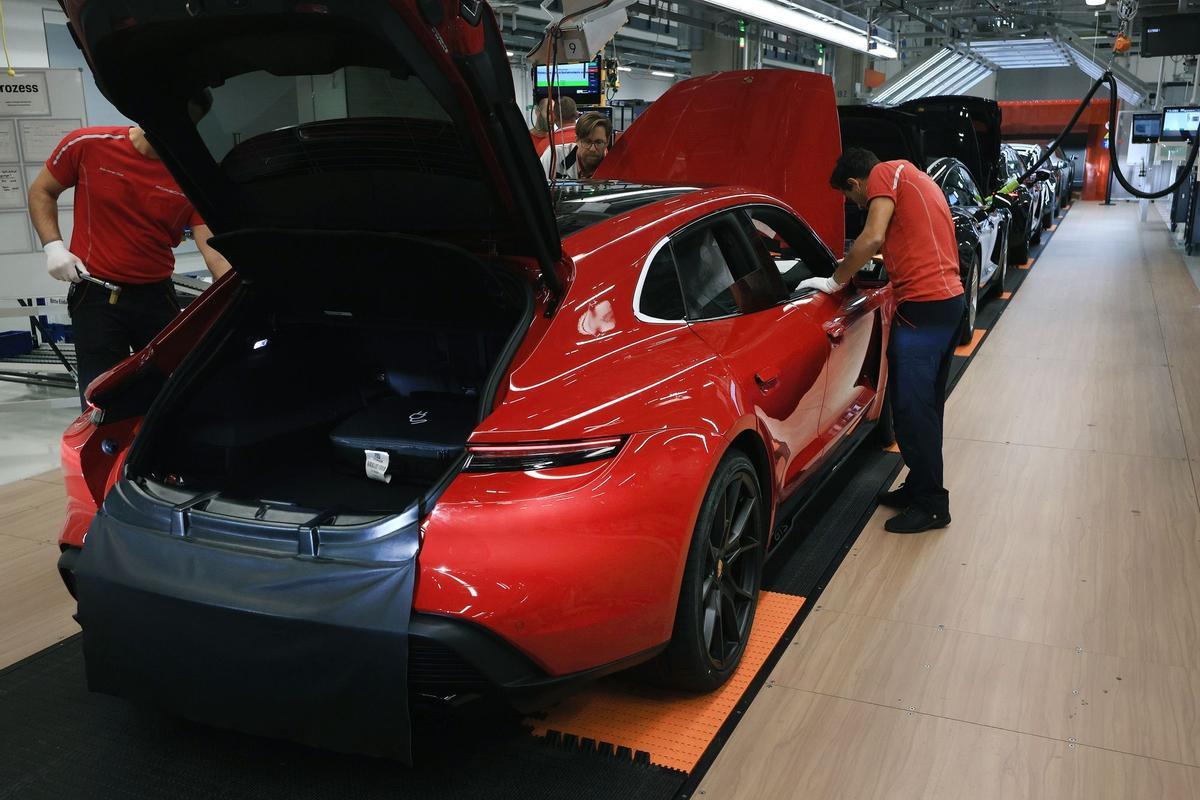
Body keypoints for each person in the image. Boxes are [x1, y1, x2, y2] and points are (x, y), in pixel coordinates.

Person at [27, 93, 233, 408]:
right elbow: (42, 190)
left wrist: (233, 298)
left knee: (171, 387)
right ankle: (110, 454)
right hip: (95, 294)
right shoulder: (88, 144)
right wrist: (53, 247)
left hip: (156, 295)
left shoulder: (189, 174)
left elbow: (214, 251)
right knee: (102, 394)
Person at [799, 147, 965, 534]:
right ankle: (920, 486)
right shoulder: (913, 174)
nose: (856, 204)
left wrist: (834, 280)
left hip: (924, 309)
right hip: (945, 303)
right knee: (924, 407)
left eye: (850, 198)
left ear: (856, 183)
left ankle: (932, 505)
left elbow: (871, 237)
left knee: (911, 410)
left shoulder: (883, 176)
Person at [541, 111, 612, 180]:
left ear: (607, 142)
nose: (592, 149)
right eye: (587, 142)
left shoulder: (614, 167)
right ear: (577, 140)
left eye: (599, 142)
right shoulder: (554, 156)